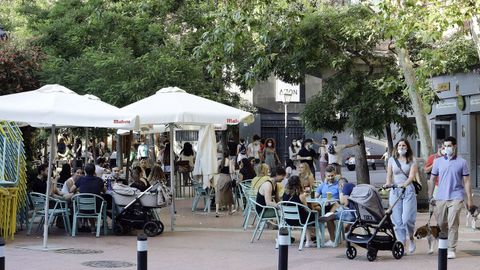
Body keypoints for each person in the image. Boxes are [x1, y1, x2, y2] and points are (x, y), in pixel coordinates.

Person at [429, 136, 473, 259]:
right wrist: (430, 196)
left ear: (454, 146)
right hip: (441, 197)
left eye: (449, 146)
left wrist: (469, 199)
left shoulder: (462, 162)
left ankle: (451, 248)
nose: (447, 148)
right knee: (441, 223)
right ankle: (444, 244)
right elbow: (432, 179)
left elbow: (467, 181)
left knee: (453, 222)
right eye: (445, 146)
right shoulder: (437, 162)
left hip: (456, 196)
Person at [384, 138, 418, 254]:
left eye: (403, 146)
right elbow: (389, 175)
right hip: (395, 190)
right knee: (397, 220)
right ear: (396, 148)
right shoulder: (391, 160)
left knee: (407, 218)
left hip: (407, 190)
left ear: (407, 147)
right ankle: (402, 245)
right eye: (399, 146)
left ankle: (411, 239)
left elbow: (411, 176)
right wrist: (388, 184)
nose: (401, 148)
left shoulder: (412, 160)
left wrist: (404, 185)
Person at [282, 175, 316, 248]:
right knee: (313, 215)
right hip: (300, 220)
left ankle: (308, 238)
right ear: (299, 184)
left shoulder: (285, 194)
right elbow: (307, 209)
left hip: (288, 220)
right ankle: (309, 240)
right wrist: (314, 209)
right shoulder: (301, 195)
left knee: (306, 217)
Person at [315, 165, 340, 247]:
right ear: (325, 175)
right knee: (314, 211)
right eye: (328, 176)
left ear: (335, 174)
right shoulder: (323, 184)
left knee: (329, 217)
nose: (330, 177)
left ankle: (333, 240)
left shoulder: (339, 184)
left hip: (336, 206)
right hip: (324, 205)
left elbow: (341, 199)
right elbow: (316, 195)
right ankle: (314, 237)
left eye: (332, 175)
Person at [215, 152, 235, 217]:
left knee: (218, 194)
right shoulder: (230, 161)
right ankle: (230, 210)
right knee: (229, 194)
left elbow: (217, 171)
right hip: (227, 178)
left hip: (220, 178)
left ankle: (217, 211)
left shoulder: (219, 161)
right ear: (228, 155)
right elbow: (231, 171)